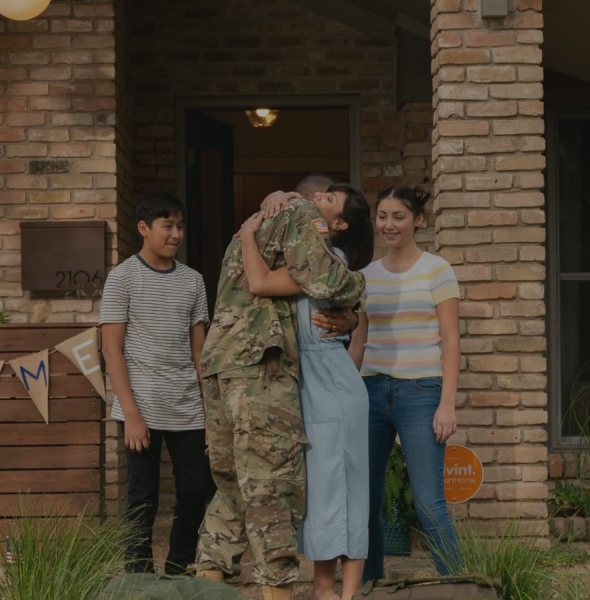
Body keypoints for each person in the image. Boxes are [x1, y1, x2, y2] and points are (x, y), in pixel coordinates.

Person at [193, 174, 366, 600]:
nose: (321, 204)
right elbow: (328, 280)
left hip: (221, 364)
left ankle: (206, 585)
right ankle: (278, 593)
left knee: (233, 488)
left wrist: (352, 320)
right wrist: (361, 289)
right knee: (272, 487)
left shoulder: (257, 223)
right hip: (260, 367)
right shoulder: (302, 215)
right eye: (324, 196)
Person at [350, 185, 464, 581]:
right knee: (364, 502)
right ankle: (370, 586)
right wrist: (345, 392)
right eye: (382, 216)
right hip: (371, 392)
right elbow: (360, 341)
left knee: (429, 502)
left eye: (398, 216)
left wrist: (446, 403)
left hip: (421, 393)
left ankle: (459, 585)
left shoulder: (437, 269)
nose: (388, 224)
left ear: (417, 220)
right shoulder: (364, 276)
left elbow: (450, 340)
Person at [100, 192, 215, 576]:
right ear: (144, 229)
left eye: (180, 226)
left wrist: (211, 413)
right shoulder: (122, 278)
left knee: (198, 488)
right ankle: (139, 574)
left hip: (187, 406)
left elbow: (200, 354)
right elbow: (112, 351)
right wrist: (131, 414)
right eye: (168, 226)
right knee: (142, 496)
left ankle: (179, 565)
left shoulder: (193, 281)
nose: (176, 234)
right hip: (141, 405)